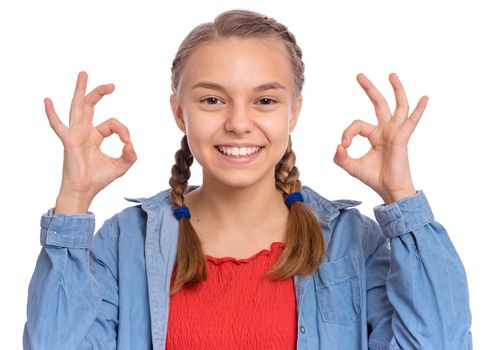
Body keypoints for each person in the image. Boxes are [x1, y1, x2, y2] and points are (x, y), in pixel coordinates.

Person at [23, 9, 472, 350]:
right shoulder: (125, 241)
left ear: (293, 111)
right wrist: (73, 201)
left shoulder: (349, 242)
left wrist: (401, 196)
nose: (239, 123)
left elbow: (440, 341)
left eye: (265, 101)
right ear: (179, 111)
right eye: (213, 99)